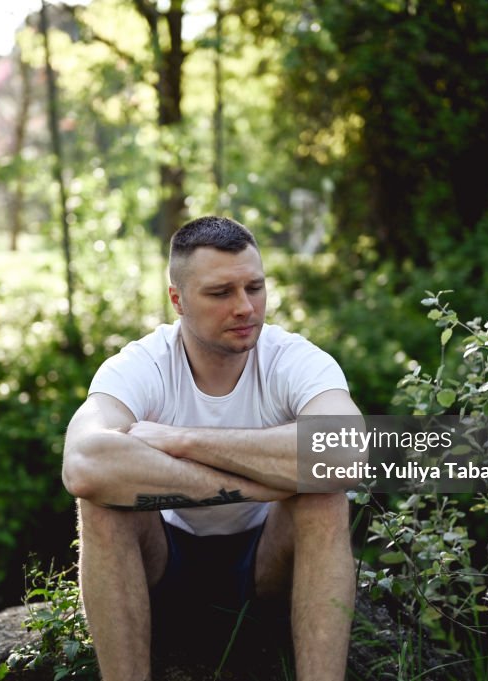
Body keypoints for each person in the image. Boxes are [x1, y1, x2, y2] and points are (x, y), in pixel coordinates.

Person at [62, 216, 360, 681]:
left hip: (267, 565)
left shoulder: (294, 359)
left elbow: (347, 450)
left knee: (324, 496)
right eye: (220, 293)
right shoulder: (142, 365)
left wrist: (183, 440)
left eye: (255, 288)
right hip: (166, 560)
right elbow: (85, 464)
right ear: (177, 300)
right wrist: (258, 485)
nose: (245, 307)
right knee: (101, 504)